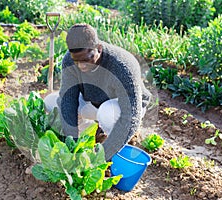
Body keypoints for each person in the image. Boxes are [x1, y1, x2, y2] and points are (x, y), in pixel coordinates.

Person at [44, 23, 151, 161]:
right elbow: (67, 102)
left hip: (125, 108)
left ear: (99, 48)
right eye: (77, 61)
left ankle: (114, 144)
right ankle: (93, 135)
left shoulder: (122, 66)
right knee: (51, 102)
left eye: (86, 60)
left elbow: (130, 117)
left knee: (107, 114)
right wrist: (72, 146)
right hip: (94, 102)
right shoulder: (70, 61)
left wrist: (101, 158)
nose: (81, 66)